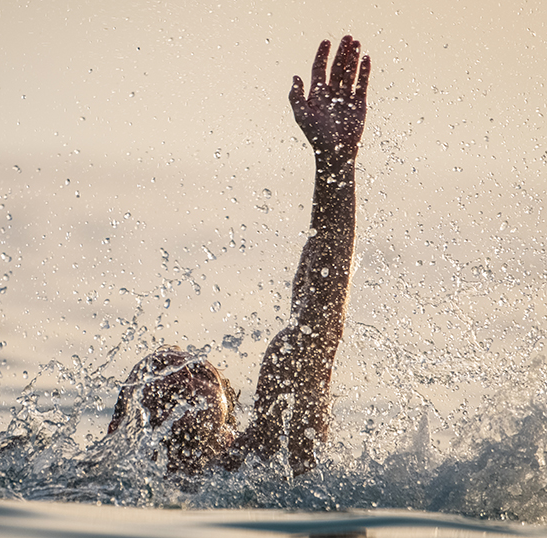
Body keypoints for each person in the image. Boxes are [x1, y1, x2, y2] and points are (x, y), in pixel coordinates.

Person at [106, 35, 371, 476]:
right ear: (121, 425)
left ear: (230, 417)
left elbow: (318, 323)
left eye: (203, 374)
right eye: (162, 371)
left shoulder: (263, 457)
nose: (187, 378)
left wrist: (335, 164)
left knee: (287, 357)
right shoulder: (95, 480)